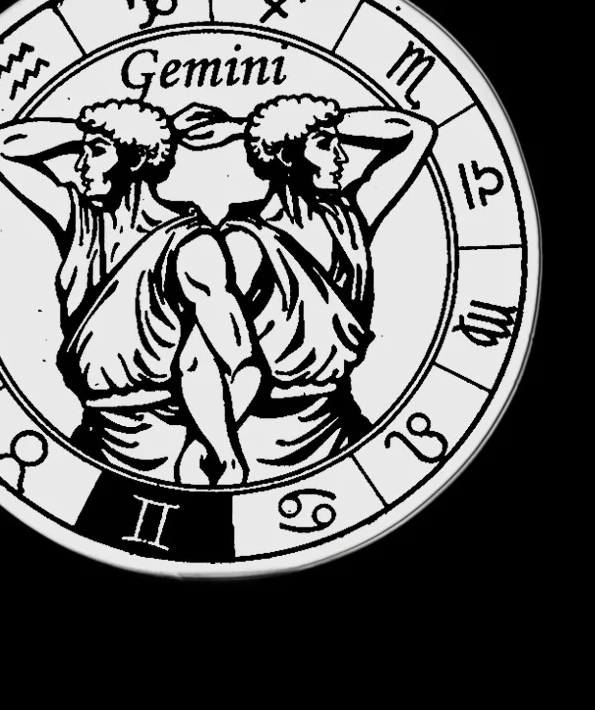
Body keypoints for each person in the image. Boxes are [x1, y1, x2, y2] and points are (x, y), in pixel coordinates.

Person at [0, 99, 264, 486]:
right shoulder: (78, 220)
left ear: (136, 159)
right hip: (93, 442)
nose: (80, 165)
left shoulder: (192, 245)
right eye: (82, 151)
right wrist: (108, 131)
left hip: (173, 452)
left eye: (96, 152)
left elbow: (242, 365)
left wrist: (213, 444)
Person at [177, 95, 437, 479]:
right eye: (326, 144)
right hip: (259, 441)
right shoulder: (243, 242)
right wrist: (214, 442)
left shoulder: (350, 217)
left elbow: (417, 132)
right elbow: (200, 360)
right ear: (287, 156)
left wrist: (247, 125)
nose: (342, 157)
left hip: (340, 427)